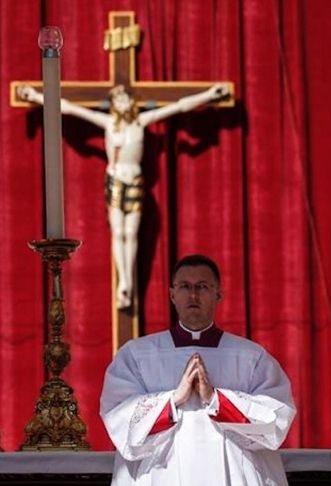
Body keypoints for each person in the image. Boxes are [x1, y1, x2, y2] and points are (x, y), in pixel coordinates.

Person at [17, 83, 230, 309]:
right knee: (118, 233)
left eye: (125, 99)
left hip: (135, 181)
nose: (122, 103)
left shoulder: (141, 122)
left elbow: (178, 107)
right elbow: (69, 108)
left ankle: (128, 278)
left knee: (131, 233)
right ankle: (124, 283)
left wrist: (208, 95)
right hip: (116, 181)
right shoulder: (108, 123)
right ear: (114, 104)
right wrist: (37, 97)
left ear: (131, 101)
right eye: (117, 100)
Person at [99, 254, 295, 486]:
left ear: (218, 294)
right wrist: (172, 400)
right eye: (184, 287)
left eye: (202, 287)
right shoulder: (136, 355)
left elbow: (277, 419)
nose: (193, 295)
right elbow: (119, 418)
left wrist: (217, 400)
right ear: (172, 294)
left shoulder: (251, 356)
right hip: (163, 475)